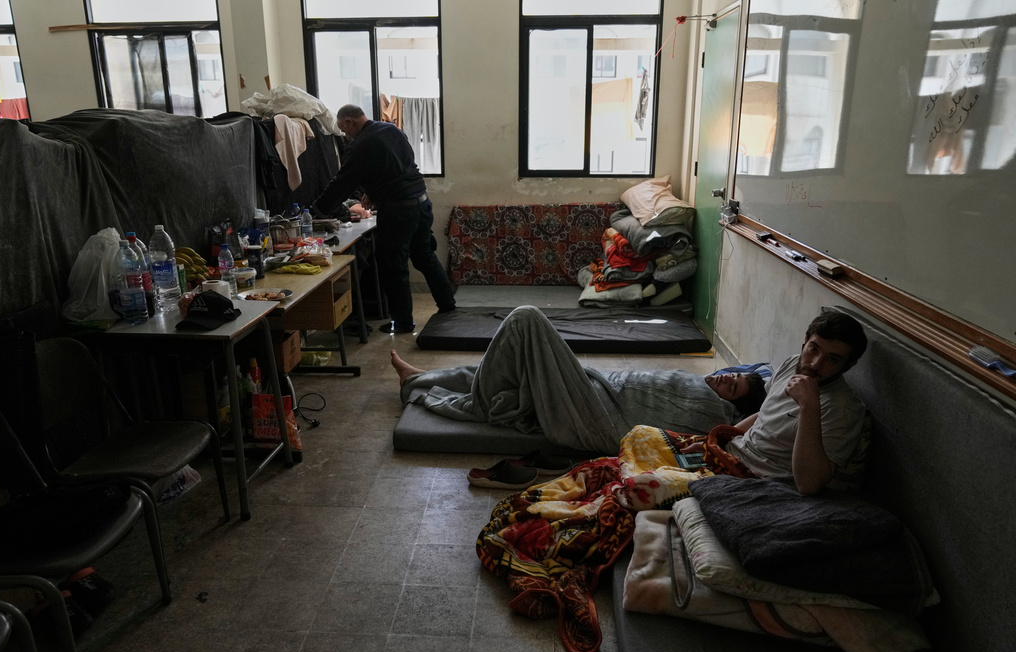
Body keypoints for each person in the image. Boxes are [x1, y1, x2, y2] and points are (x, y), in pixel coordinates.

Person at [392, 305, 767, 455]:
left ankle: (459, 398)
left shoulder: (713, 416)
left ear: (733, 406)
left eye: (733, 386)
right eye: (732, 374)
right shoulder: (700, 383)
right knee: (517, 367)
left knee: (526, 320)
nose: (726, 378)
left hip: (597, 416)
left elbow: (739, 432)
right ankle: (424, 378)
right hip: (598, 389)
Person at [686, 310, 868, 496]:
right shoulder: (793, 363)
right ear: (805, 340)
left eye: (832, 359)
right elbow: (763, 415)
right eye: (813, 349)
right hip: (730, 453)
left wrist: (809, 407)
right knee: (667, 444)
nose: (815, 364)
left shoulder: (843, 408)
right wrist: (714, 443)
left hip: (757, 479)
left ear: (847, 365)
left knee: (667, 483)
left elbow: (809, 484)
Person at [313, 104, 455, 334]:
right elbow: (399, 166)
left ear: (350, 122)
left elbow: (342, 183)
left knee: (393, 266)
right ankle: (448, 305)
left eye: (344, 130)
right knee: (425, 256)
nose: (346, 136)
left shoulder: (359, 145)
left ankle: (403, 323)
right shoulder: (392, 129)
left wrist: (317, 210)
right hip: (421, 202)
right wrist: (372, 192)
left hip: (399, 211)